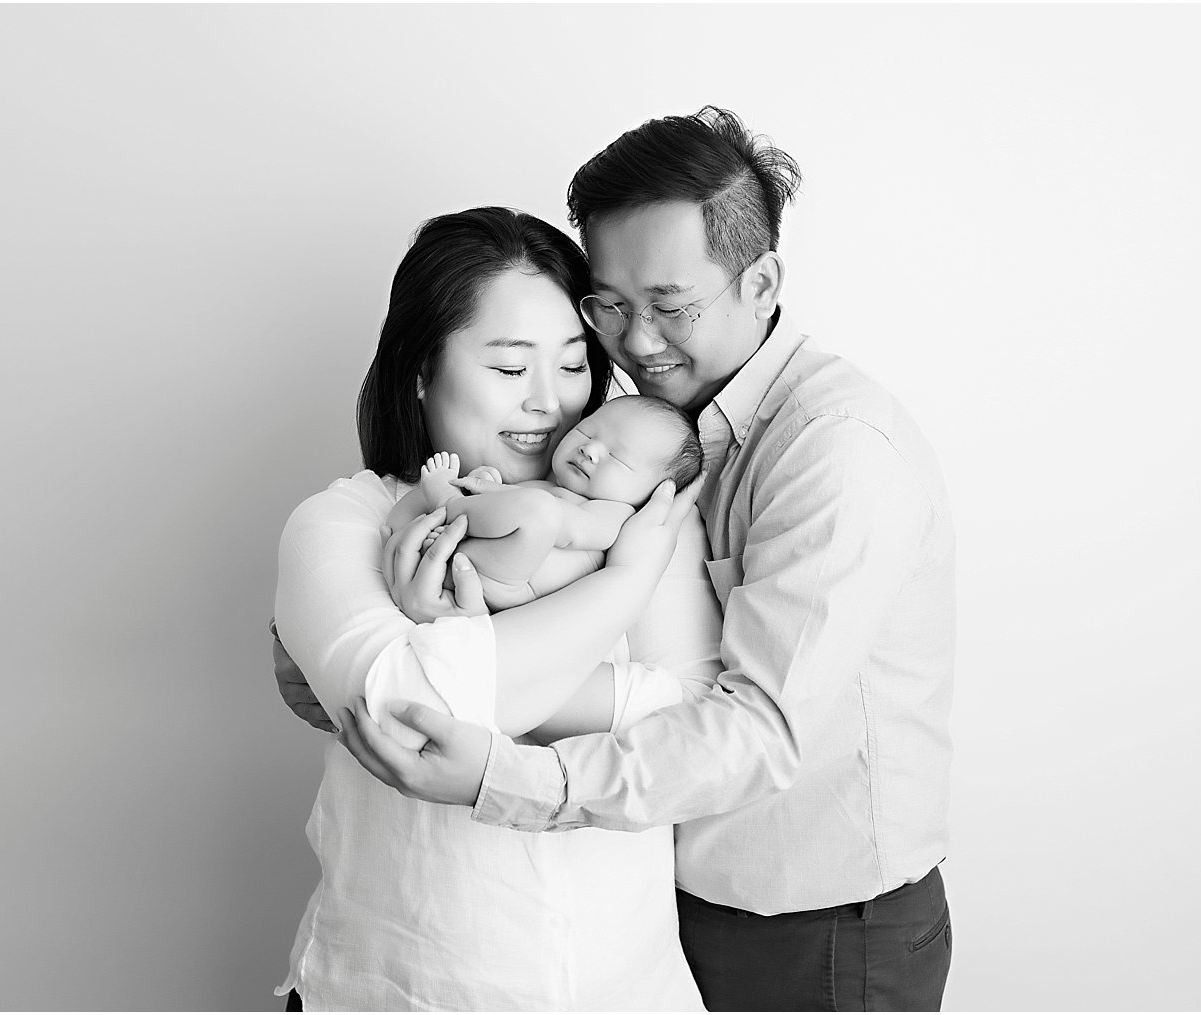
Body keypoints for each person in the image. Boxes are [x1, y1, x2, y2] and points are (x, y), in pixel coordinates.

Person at [317, 107, 958, 1012]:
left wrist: (507, 775)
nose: (638, 342)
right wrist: (349, 641)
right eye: (609, 306)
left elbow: (755, 729)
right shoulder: (640, 434)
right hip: (672, 912)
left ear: (763, 279)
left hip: (817, 930)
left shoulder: (834, 450)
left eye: (670, 306)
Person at [270, 205, 722, 1011]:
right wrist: (619, 591)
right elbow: (410, 718)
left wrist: (452, 642)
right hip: (399, 991)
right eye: (511, 369)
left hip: (632, 990)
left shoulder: (639, 514)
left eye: (575, 365)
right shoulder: (342, 523)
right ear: (420, 371)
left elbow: (698, 728)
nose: (550, 405)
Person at [388, 394, 704, 610]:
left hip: (514, 588)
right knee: (411, 509)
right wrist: (488, 484)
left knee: (540, 512)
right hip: (476, 563)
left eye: (618, 458)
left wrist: (493, 493)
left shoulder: (617, 514)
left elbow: (563, 526)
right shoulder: (544, 484)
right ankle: (420, 526)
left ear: (654, 493)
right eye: (587, 431)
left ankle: (446, 501)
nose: (590, 449)